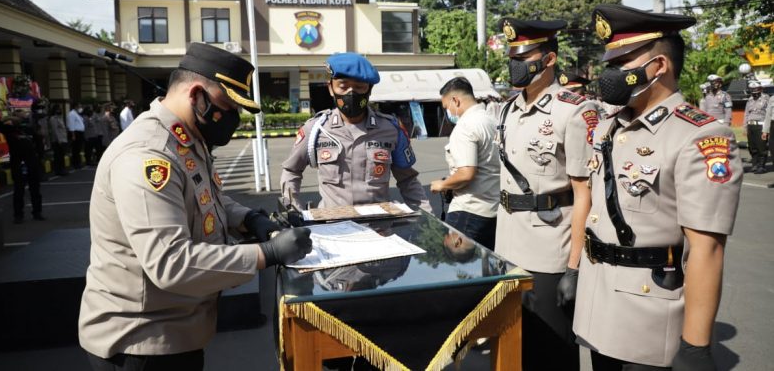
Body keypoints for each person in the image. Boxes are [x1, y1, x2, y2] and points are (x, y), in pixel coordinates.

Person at [78, 42, 312, 371]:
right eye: (227, 106)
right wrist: (267, 254)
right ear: (196, 94)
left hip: (174, 330)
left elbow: (206, 196)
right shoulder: (149, 154)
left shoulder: (186, 139)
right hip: (140, 343)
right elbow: (170, 262)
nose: (233, 117)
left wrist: (249, 218)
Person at [574, 4, 742, 370]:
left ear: (659, 67)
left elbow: (706, 249)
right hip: (598, 307)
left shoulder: (700, 136)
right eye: (611, 64)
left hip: (649, 319)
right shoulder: (607, 128)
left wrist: (696, 345)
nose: (611, 74)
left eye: (623, 63)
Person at [494, 18, 598, 371]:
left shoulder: (574, 110)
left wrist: (574, 267)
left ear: (549, 59)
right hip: (507, 248)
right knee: (515, 348)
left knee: (552, 351)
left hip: (550, 249)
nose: (515, 64)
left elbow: (584, 192)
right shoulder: (508, 110)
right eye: (512, 56)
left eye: (523, 56)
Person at [280, 52, 430, 212]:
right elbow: (291, 170)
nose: (351, 94)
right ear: (331, 88)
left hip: (378, 229)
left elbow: (408, 180)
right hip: (332, 229)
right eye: (343, 87)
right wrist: (293, 210)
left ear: (369, 90)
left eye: (359, 87)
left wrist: (428, 222)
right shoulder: (315, 129)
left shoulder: (391, 129)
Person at [429, 77, 500, 250]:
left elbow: (466, 173)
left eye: (447, 107)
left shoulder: (465, 126)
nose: (449, 113)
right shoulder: (491, 121)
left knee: (460, 265)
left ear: (456, 100)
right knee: (486, 268)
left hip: (469, 210)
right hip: (493, 209)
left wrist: (442, 184)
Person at [0, 107, 44, 223]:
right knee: (19, 190)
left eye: (22, 112)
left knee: (35, 189)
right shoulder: (9, 129)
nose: (21, 114)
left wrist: (39, 158)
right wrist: (5, 117)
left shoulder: (30, 128)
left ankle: (37, 212)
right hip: (17, 163)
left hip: (31, 162)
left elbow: (39, 143)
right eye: (18, 113)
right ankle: (18, 215)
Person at [744, 81, 768, 174]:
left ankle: (762, 166)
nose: (754, 91)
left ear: (760, 89)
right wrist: (745, 127)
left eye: (756, 89)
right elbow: (746, 114)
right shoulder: (749, 100)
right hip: (750, 126)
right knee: (752, 147)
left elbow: (768, 114)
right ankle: (755, 165)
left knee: (761, 147)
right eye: (752, 90)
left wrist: (766, 129)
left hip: (761, 125)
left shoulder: (766, 99)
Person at [48, 104, 69, 176]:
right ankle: (58, 170)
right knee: (58, 156)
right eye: (58, 109)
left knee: (62, 155)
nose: (60, 110)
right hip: (57, 140)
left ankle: (62, 169)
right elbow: (55, 130)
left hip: (63, 139)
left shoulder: (60, 118)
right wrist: (59, 139)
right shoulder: (53, 119)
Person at [66, 101, 85, 169]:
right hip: (75, 133)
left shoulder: (77, 114)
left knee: (78, 149)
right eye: (79, 106)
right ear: (75, 106)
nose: (80, 108)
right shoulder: (72, 114)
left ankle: (78, 162)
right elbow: (71, 125)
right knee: (75, 149)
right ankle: (75, 163)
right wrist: (73, 135)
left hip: (80, 133)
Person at [764, 90, 774, 171]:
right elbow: (768, 115)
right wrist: (765, 130)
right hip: (773, 125)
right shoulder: (772, 98)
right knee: (772, 149)